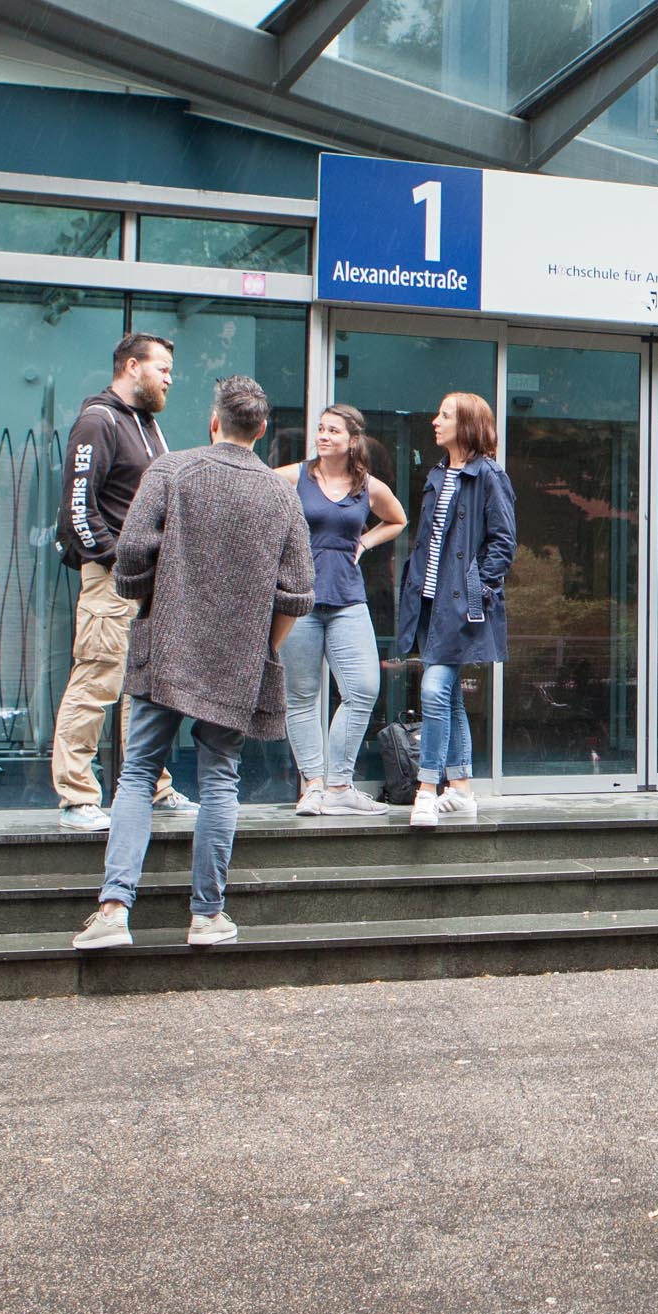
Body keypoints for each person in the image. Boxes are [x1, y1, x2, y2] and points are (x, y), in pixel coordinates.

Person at [70, 376, 313, 952]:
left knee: (135, 775)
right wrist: (265, 648)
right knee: (220, 780)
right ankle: (206, 917)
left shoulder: (171, 470)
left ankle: (112, 910)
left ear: (213, 422)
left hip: (166, 650)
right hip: (237, 661)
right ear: (260, 430)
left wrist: (148, 598)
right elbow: (299, 593)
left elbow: (129, 554)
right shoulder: (280, 494)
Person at [49, 331, 192, 833]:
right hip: (113, 581)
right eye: (163, 369)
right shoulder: (99, 420)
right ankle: (77, 796)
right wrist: (118, 561)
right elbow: (78, 510)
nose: (170, 379)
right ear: (132, 367)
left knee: (146, 688)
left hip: (148, 583)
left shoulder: (149, 427)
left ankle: (152, 786)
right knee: (96, 682)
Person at [276, 404, 407, 817]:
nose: (323, 435)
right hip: (300, 600)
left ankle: (339, 786)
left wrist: (366, 543)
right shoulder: (294, 475)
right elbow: (253, 493)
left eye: (333, 430)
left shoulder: (367, 486)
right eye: (320, 429)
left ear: (353, 440)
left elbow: (397, 519)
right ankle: (312, 785)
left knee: (364, 688)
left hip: (349, 600)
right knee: (300, 696)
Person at [393, 392, 515, 828]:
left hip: (462, 606)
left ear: (466, 425)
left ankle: (427, 788)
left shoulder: (489, 476)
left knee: (432, 689)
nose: (434, 421)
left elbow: (503, 543)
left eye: (444, 415)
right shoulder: (438, 474)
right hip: (429, 603)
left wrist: (478, 590)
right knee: (449, 700)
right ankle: (461, 789)